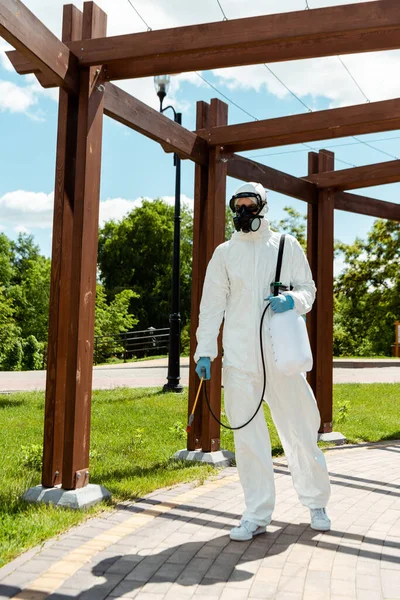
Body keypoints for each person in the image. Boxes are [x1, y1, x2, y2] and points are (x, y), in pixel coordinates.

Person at [194, 182, 331, 542]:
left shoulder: (286, 245)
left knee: (300, 429)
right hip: (240, 361)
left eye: (249, 205)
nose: (243, 212)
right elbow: (211, 305)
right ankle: (256, 513)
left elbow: (309, 290)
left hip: (281, 357)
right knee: (248, 440)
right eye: (237, 206)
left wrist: (292, 300)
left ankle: (316, 501)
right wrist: (205, 350)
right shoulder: (224, 254)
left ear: (263, 207)